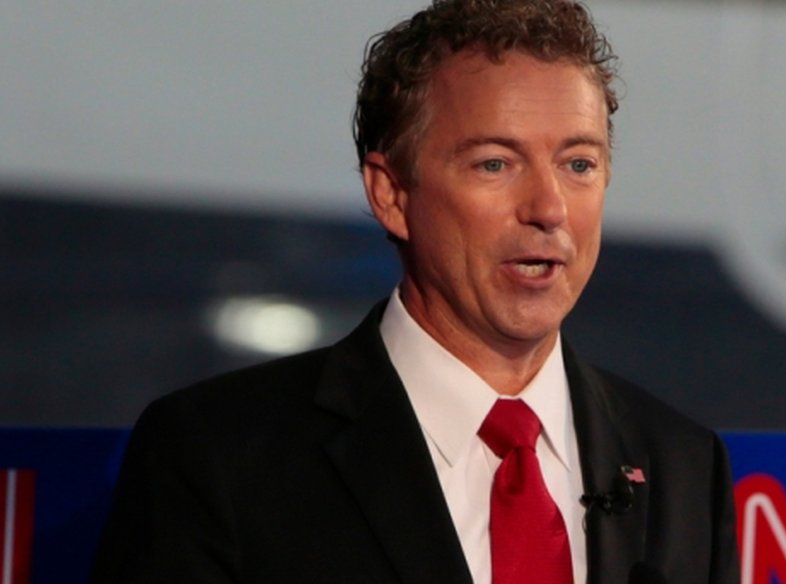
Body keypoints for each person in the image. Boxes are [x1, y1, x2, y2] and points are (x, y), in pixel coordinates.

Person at [91, 1, 739, 582]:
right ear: (392, 194)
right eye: (496, 163)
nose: (550, 208)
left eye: (578, 164)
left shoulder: (682, 468)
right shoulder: (221, 459)